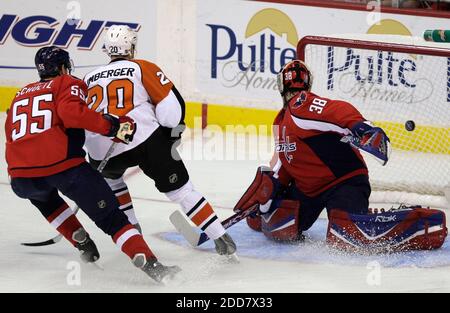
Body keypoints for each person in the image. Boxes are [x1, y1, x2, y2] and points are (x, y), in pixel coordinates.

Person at [4, 46, 181, 283]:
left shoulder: (20, 94)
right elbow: (72, 114)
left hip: (20, 176)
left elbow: (11, 131)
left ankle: (80, 239)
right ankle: (148, 262)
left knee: (45, 198)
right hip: (64, 168)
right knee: (112, 219)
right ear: (63, 67)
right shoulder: (66, 82)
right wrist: (113, 126)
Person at [83, 25, 236, 257]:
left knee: (113, 182)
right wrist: (170, 136)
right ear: (131, 47)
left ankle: (133, 234)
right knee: (182, 191)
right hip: (143, 139)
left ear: (107, 49)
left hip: (100, 149)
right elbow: (170, 112)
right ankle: (221, 238)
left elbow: (81, 118)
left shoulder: (87, 77)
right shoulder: (142, 67)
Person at [235, 60, 391, 243]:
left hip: (343, 182)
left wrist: (362, 127)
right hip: (309, 190)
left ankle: (393, 219)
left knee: (348, 237)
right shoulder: (280, 121)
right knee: (278, 228)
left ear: (280, 85)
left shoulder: (301, 104)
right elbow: (284, 163)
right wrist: (270, 190)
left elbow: (335, 110)